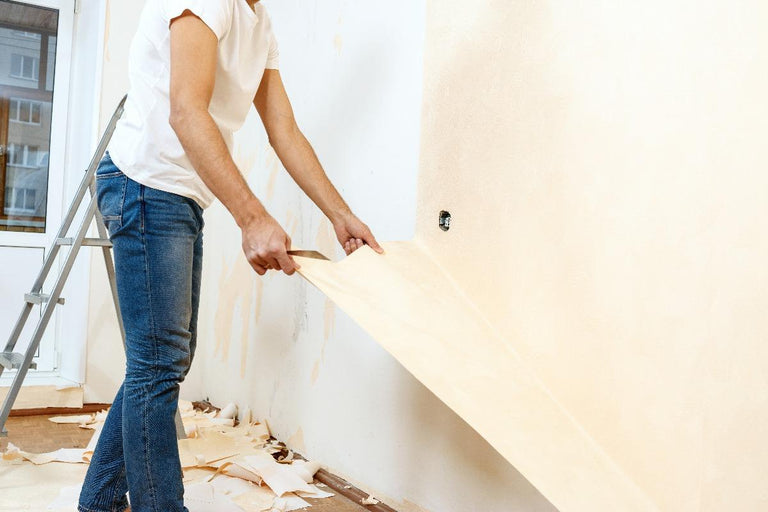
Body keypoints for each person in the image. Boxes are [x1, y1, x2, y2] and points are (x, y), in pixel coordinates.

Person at [78, 0, 383, 510]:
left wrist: (340, 214)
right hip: (145, 184)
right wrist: (252, 218)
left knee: (162, 361)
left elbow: (284, 131)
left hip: (178, 194)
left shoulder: (259, 22)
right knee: (158, 364)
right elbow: (185, 111)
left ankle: (99, 502)